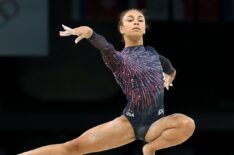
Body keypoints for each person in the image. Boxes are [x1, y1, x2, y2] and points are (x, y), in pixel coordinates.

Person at [18, 9, 195, 155]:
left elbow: (166, 64)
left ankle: (150, 148)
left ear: (144, 28)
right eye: (130, 19)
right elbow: (106, 47)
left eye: (140, 20)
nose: (136, 22)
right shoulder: (118, 59)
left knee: (187, 123)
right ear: (122, 29)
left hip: (156, 123)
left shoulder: (153, 53)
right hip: (130, 122)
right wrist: (90, 33)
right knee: (73, 147)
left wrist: (170, 74)